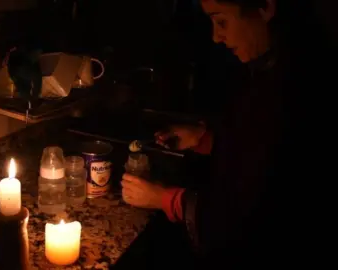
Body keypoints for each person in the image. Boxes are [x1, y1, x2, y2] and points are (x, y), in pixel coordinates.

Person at [121, 0, 331, 268]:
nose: (216, 37)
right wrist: (205, 139)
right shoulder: (275, 68)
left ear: (265, 8)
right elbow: (259, 145)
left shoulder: (295, 87)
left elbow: (245, 213)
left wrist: (163, 198)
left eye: (221, 21)